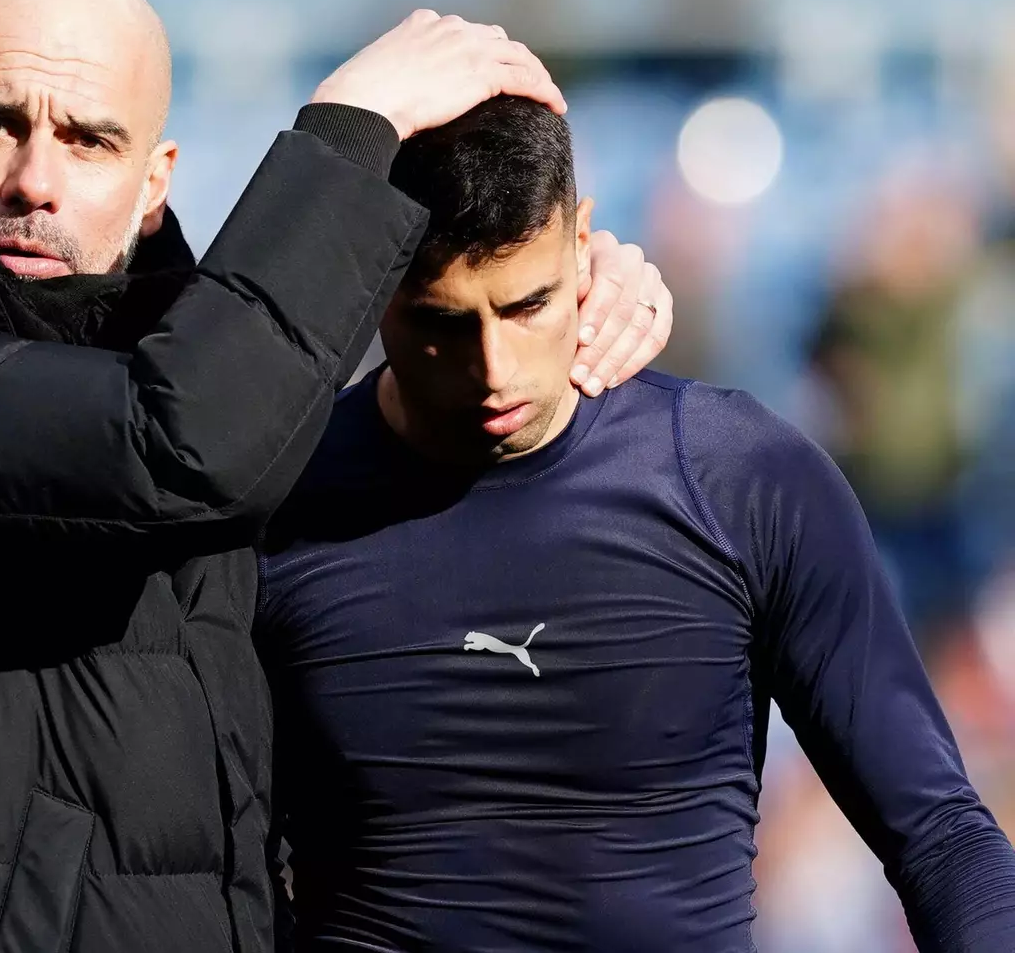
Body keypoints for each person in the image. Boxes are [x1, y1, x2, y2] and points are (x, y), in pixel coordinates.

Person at [0, 0, 669, 953]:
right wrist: (351, 133)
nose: (33, 181)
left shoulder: (183, 379)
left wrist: (569, 311)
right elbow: (176, 445)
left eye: (89, 140)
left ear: (154, 185)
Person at [257, 96, 1015, 952]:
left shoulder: (743, 481)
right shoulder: (274, 502)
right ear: (374, 285)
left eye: (527, 305)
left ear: (583, 244)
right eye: (442, 322)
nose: (493, 369)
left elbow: (944, 837)